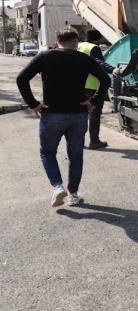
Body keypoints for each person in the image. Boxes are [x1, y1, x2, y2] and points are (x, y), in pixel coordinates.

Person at [16, 27, 111, 207]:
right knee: (75, 155)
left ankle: (57, 186)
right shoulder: (84, 59)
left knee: (47, 152)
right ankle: (73, 194)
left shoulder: (44, 57)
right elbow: (105, 80)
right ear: (76, 43)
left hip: (51, 115)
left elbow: (22, 79)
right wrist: (93, 101)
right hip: (79, 115)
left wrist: (34, 104)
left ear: (56, 42)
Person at [78, 29, 121, 149]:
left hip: (79, 86)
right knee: (94, 114)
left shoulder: (78, 46)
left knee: (80, 115)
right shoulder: (94, 48)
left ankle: (78, 141)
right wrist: (112, 69)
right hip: (92, 87)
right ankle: (94, 141)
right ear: (98, 39)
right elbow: (98, 62)